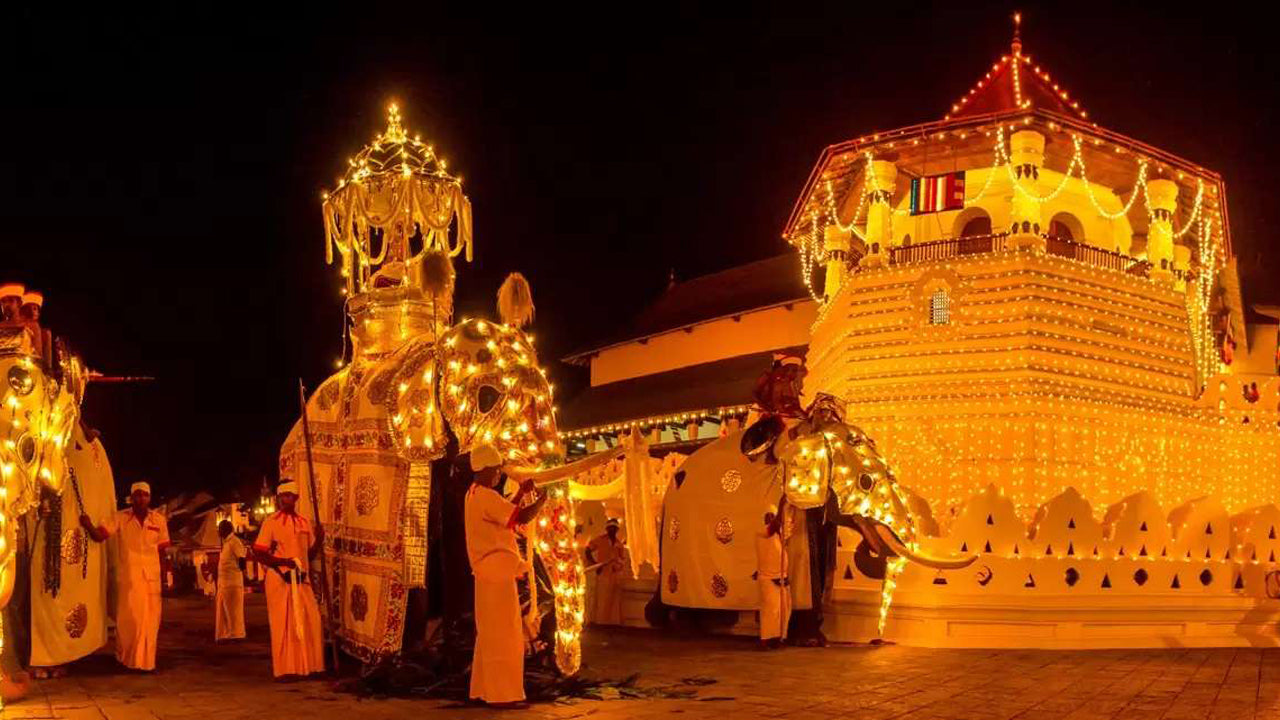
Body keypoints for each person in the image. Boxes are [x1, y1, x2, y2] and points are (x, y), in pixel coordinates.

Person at [28, 421, 117, 678]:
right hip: (41, 532)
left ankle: (57, 656)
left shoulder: (89, 447)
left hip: (69, 535)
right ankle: (40, 657)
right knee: (41, 592)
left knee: (59, 590)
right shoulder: (34, 437)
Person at [465, 444, 546, 707]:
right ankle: (504, 695)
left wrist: (521, 493)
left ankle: (483, 690)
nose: (500, 476)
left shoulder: (474, 495)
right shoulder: (486, 495)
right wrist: (541, 501)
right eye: (498, 471)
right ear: (487, 470)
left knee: (489, 636)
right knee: (505, 635)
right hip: (497, 577)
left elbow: (504, 513)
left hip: (486, 576)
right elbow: (519, 517)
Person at [80, 481, 170, 671]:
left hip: (152, 579)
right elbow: (99, 536)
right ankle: (126, 659)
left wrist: (166, 578)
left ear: (149, 497)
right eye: (137, 494)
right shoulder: (120, 518)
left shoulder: (159, 520)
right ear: (131, 498)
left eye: (144, 494)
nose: (141, 498)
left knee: (151, 621)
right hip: (129, 578)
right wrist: (87, 525)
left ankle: (147, 662)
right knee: (130, 620)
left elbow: (163, 551)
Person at [253, 481, 324, 679]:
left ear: (295, 498)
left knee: (311, 620)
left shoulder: (304, 522)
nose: (287, 499)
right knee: (282, 625)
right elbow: (259, 552)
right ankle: (285, 670)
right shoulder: (271, 522)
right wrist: (283, 562)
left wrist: (319, 540)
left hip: (302, 579)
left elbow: (308, 554)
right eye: (283, 496)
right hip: (280, 579)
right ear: (278, 498)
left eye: (290, 496)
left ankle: (310, 666)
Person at [754, 506, 790, 650]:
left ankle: (777, 639)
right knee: (771, 611)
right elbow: (774, 526)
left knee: (783, 610)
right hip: (768, 578)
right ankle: (766, 640)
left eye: (772, 516)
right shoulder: (761, 532)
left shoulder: (778, 534)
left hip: (781, 578)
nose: (770, 520)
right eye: (768, 517)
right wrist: (782, 505)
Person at [586, 518, 626, 625]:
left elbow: (622, 559)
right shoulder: (600, 540)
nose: (612, 530)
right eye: (610, 528)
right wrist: (594, 564)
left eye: (614, 528)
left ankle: (612, 623)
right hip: (603, 572)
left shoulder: (619, 544)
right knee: (602, 599)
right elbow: (588, 550)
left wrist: (618, 566)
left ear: (617, 530)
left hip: (614, 573)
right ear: (607, 529)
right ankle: (600, 622)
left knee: (615, 599)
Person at [215, 520, 247, 642]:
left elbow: (241, 559)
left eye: (220, 529)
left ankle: (237, 634)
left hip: (233, 582)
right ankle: (226, 633)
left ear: (226, 530)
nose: (218, 532)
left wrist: (244, 574)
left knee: (234, 611)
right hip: (224, 583)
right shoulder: (226, 543)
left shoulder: (234, 542)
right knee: (225, 610)